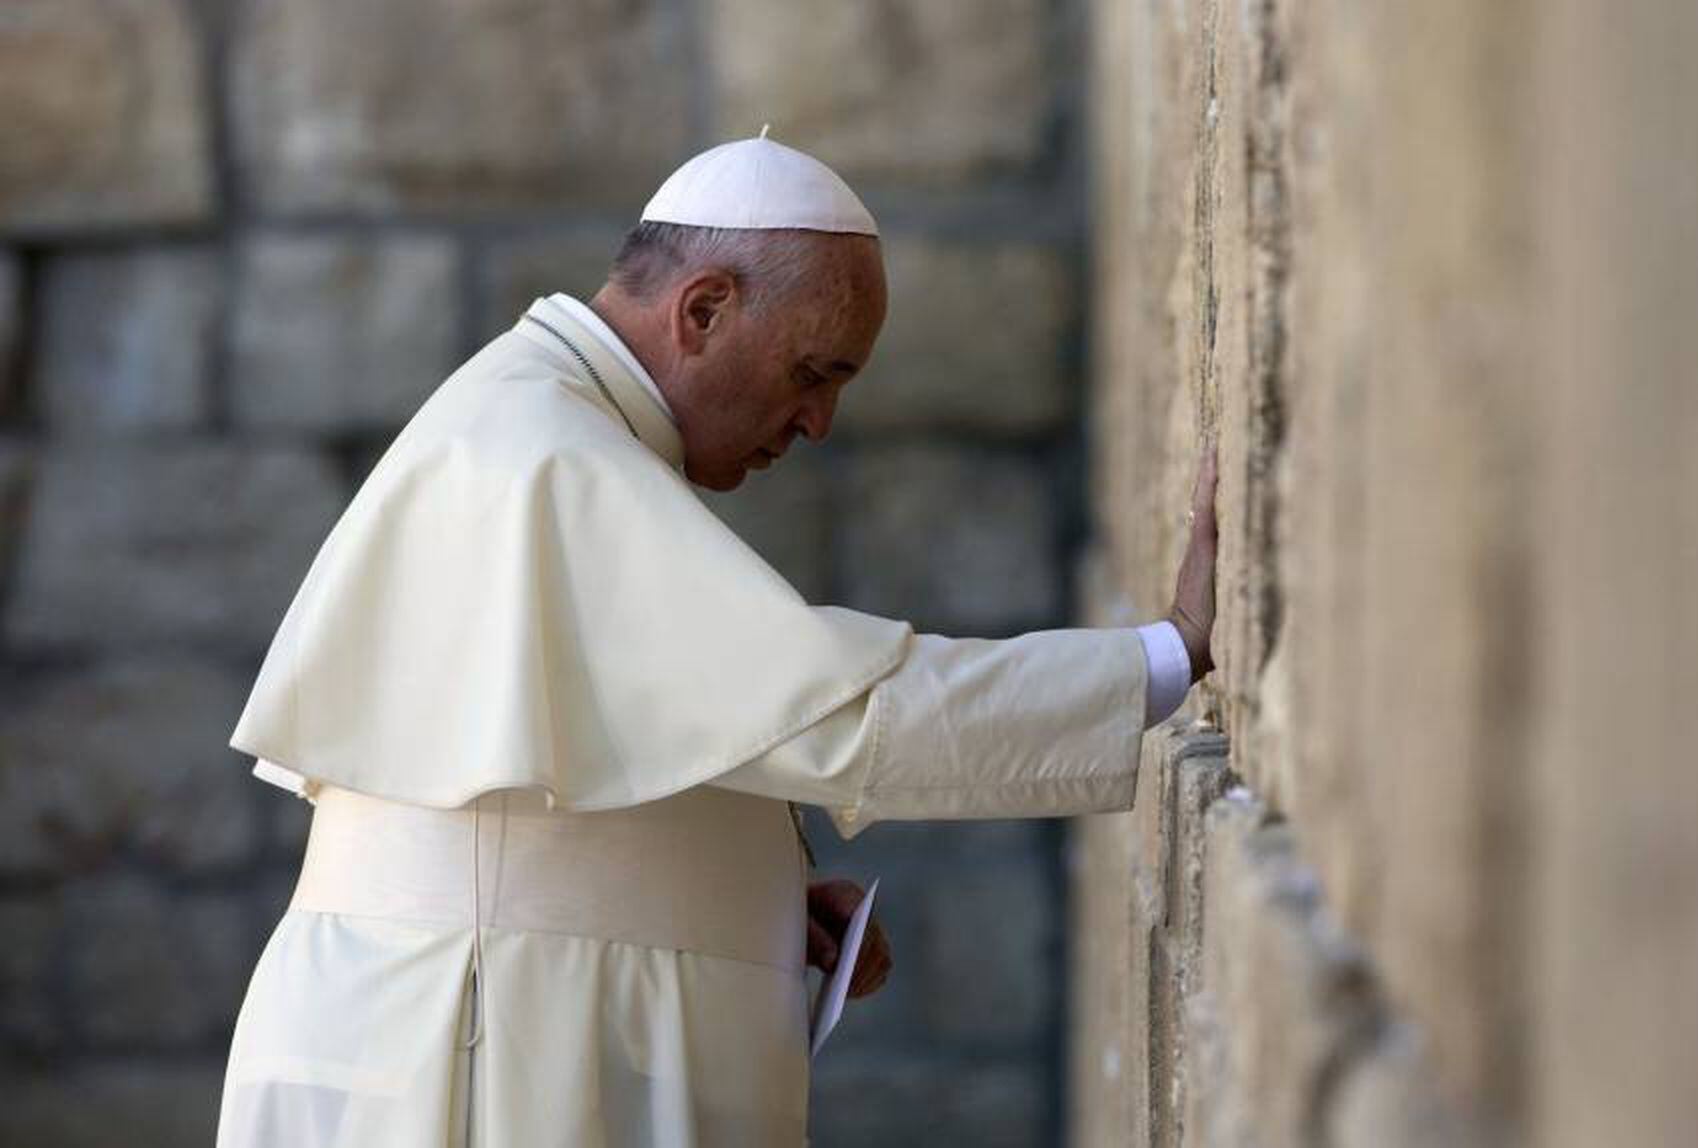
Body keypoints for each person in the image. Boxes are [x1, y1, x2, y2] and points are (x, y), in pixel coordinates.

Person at [214, 134, 1219, 1148]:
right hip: (463, 1048)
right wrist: (1165, 654)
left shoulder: (540, 421)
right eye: (812, 371)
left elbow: (580, 774)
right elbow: (841, 711)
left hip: (474, 1015)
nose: (818, 421)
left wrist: (747, 890)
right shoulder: (548, 458)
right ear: (702, 311)